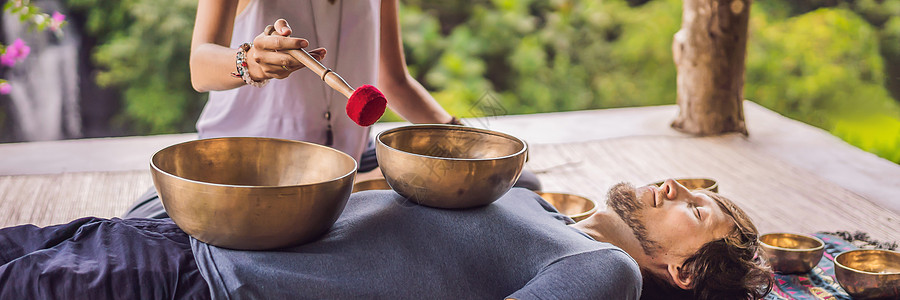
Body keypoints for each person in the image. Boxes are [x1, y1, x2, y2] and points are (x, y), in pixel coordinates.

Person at [0, 179, 771, 299]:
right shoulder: (538, 205)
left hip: (202, 277)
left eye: (699, 210)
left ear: (681, 271)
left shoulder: (605, 271)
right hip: (164, 224)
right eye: (688, 184)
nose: (675, 189)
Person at [124, 0, 541, 219]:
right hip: (244, 169)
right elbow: (200, 66)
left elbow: (392, 80)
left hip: (341, 167)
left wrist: (463, 138)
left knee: (521, 186)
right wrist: (250, 61)